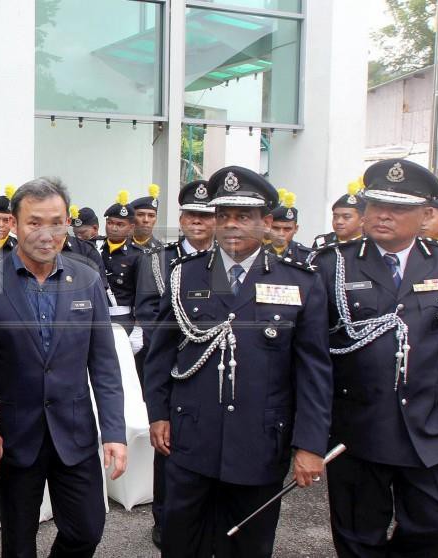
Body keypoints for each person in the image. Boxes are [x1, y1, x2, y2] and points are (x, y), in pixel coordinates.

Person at [145, 166, 332, 558]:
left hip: (260, 441)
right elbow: (161, 353)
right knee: (180, 543)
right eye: (223, 216)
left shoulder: (300, 282)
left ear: (266, 223)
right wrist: (158, 413)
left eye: (243, 216)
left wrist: (310, 445)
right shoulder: (185, 276)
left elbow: (313, 371)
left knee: (249, 545)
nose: (231, 225)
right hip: (190, 436)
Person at [310, 159, 438, 558]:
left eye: (399, 208)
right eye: (375, 205)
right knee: (358, 536)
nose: (383, 215)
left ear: (427, 214)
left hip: (434, 424)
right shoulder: (332, 265)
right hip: (357, 428)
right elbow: (313, 355)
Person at [0, 177, 126, 558]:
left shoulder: (86, 280)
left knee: (87, 530)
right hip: (16, 438)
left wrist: (114, 432)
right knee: (18, 544)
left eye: (55, 222)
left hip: (75, 434)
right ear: (15, 225)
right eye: (34, 222)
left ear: (67, 222)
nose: (46, 233)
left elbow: (104, 364)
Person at [134, 178, 216, 548]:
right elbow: (149, 312)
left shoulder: (225, 261)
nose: (198, 221)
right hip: (173, 367)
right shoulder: (158, 259)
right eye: (191, 214)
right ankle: (164, 519)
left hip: (215, 372)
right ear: (181, 218)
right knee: (168, 449)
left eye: (206, 215)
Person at [100, 191, 141, 339]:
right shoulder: (95, 249)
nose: (114, 228)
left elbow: (141, 294)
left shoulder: (138, 255)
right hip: (96, 317)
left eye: (120, 224)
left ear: (130, 227)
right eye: (110, 223)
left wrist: (138, 328)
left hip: (122, 318)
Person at [313, 181, 364, 249]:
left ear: (362, 221)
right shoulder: (322, 243)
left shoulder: (371, 246)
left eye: (346, 217)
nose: (339, 221)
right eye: (335, 217)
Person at [268, 190, 312, 262]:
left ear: (296, 229)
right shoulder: (257, 254)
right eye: (275, 228)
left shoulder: (307, 256)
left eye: (287, 229)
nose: (281, 233)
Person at [131, 184, 163, 249]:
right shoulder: (120, 246)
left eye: (151, 216)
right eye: (140, 215)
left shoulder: (162, 249)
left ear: (156, 218)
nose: (146, 220)